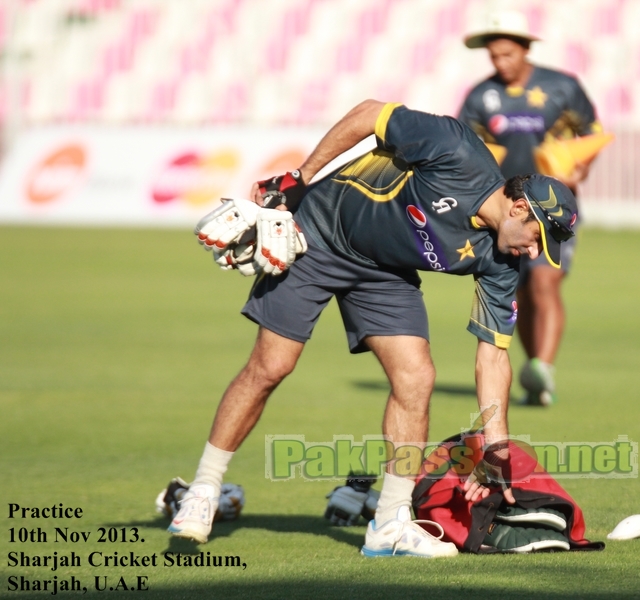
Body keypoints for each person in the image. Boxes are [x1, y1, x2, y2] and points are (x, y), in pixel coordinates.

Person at [168, 99, 579, 557]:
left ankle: (390, 523)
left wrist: (497, 443)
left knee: (417, 376)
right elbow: (369, 115)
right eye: (538, 238)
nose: (534, 252)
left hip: (384, 272)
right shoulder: (456, 150)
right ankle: (202, 493)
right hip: (317, 234)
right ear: (520, 207)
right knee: (272, 365)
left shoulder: (502, 262)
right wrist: (301, 177)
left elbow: (493, 354)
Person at [459, 10, 603, 407]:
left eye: (507, 54)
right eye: (494, 57)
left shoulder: (562, 87)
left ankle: (544, 367)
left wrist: (580, 169)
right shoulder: (480, 96)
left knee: (545, 282)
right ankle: (533, 372)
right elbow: (465, 149)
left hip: (553, 206)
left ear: (525, 48)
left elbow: (590, 133)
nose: (500, 63)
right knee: (519, 291)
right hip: (507, 212)